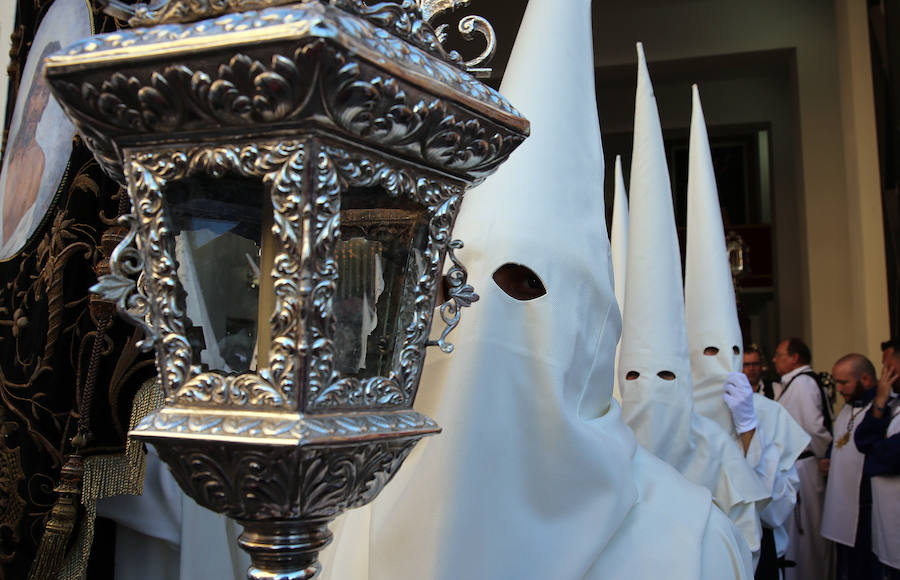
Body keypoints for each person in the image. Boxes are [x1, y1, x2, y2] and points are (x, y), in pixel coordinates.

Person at [321, 2, 752, 577]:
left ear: (594, 325)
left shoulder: (688, 544)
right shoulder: (347, 508)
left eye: (525, 288)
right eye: (455, 290)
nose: (481, 315)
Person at [616, 42, 768, 563]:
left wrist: (747, 429)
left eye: (666, 377)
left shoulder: (717, 447)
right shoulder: (604, 446)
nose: (650, 392)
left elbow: (749, 535)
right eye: (634, 376)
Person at [683, 84, 809, 580]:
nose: (722, 361)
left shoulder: (773, 415)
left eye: (732, 350)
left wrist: (751, 429)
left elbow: (777, 513)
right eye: (708, 350)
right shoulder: (669, 406)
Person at [773, 338, 833, 580]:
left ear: (795, 358)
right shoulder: (793, 384)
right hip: (796, 464)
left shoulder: (804, 384)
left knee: (807, 530)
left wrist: (823, 456)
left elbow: (814, 428)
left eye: (780, 355)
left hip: (806, 465)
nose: (775, 360)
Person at [821, 354, 880, 579]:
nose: (839, 389)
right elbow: (840, 440)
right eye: (836, 382)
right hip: (842, 503)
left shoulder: (879, 410)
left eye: (844, 382)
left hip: (865, 505)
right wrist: (829, 458)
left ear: (865, 379)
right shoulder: (848, 408)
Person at [855, 348, 900, 578]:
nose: (885, 375)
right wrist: (880, 401)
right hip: (887, 529)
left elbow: (885, 457)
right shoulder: (892, 404)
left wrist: (875, 451)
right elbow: (862, 440)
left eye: (889, 368)